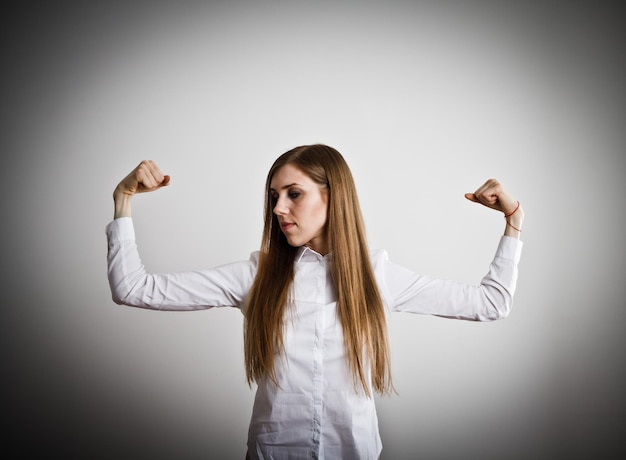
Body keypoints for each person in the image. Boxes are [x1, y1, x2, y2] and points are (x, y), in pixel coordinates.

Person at [106, 144, 524, 459]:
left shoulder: (377, 275)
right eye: (274, 196)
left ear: (332, 196)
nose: (278, 209)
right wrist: (123, 200)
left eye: (293, 194)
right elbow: (133, 288)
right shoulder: (256, 275)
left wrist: (513, 223)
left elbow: (490, 304)